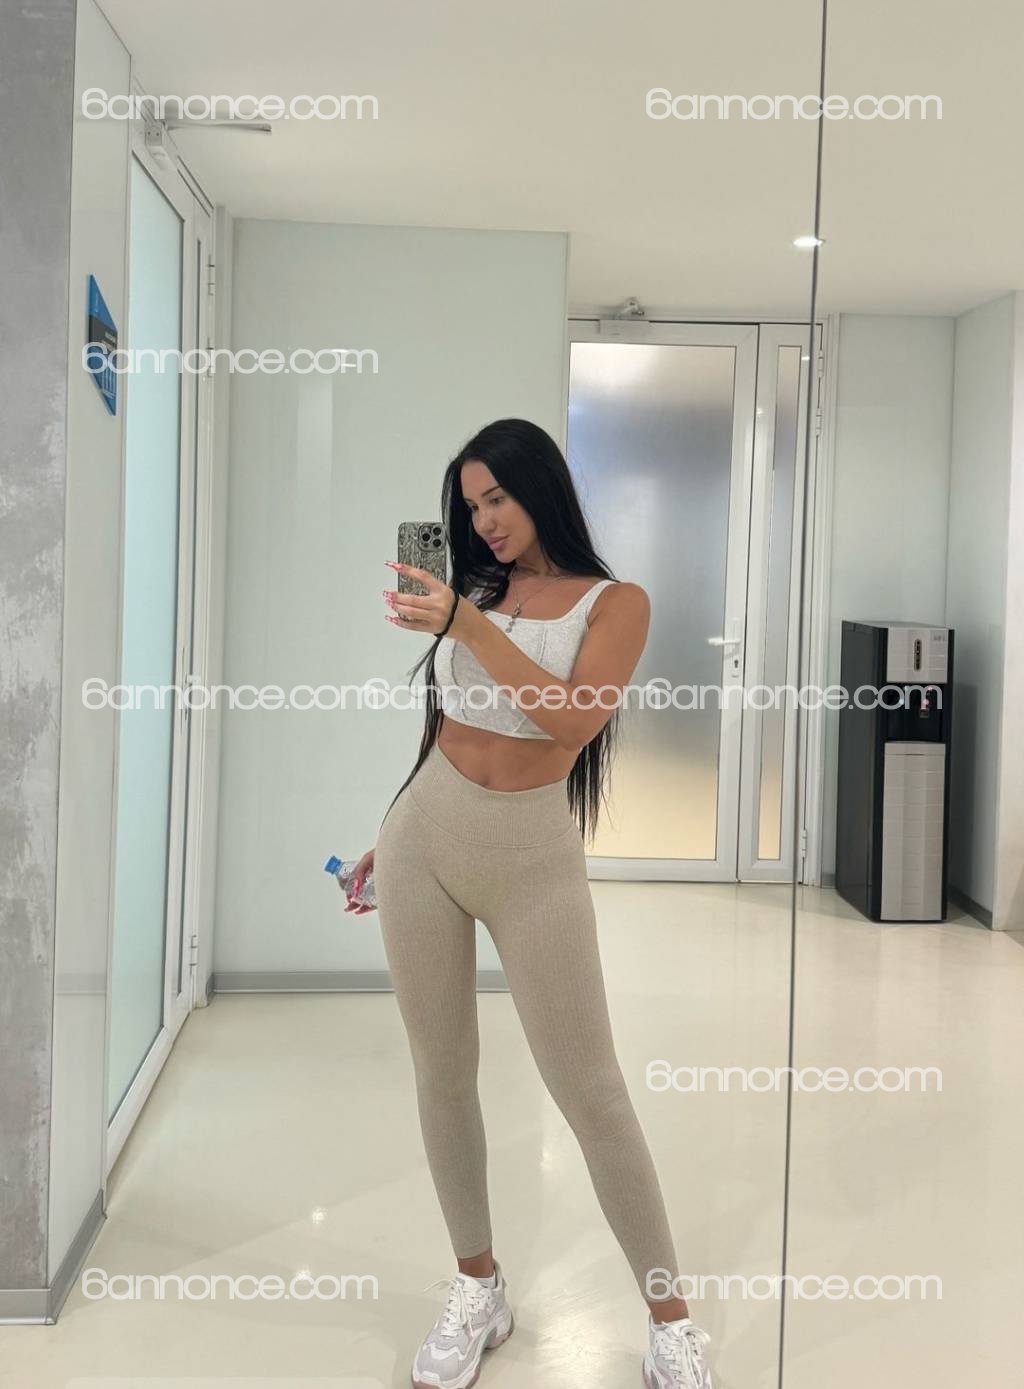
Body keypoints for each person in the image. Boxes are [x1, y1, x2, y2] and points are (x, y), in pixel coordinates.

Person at [344, 419, 714, 1389]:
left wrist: (467, 628)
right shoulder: (472, 590)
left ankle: (670, 1321)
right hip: (426, 835)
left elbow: (573, 720)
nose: (484, 522)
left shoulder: (613, 602)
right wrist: (390, 831)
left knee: (592, 1093)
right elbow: (448, 722)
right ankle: (479, 1286)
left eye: (497, 498)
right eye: (471, 506)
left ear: (540, 487)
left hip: (532, 860)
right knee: (442, 1073)